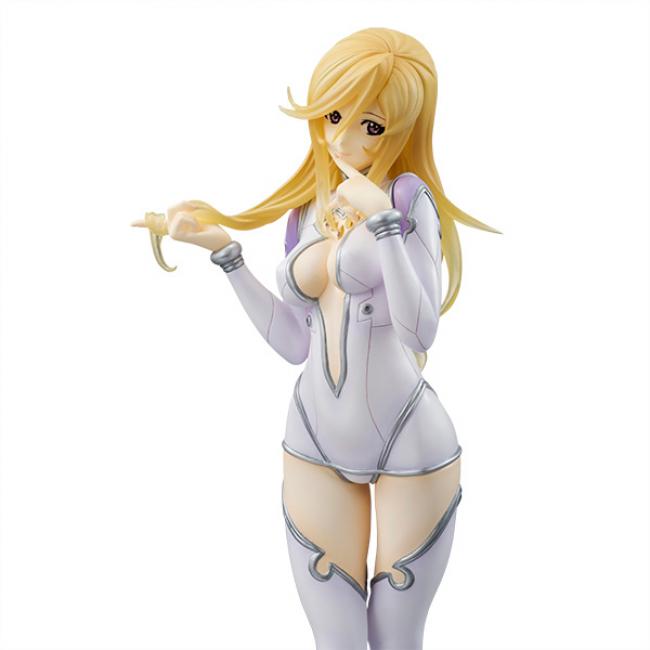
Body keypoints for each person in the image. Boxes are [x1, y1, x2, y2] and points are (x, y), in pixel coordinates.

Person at [133, 27, 496, 650]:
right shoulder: (308, 211)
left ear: (404, 127)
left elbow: (421, 328)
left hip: (409, 440)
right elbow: (295, 343)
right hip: (313, 438)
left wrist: (384, 222)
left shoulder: (408, 198)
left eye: (371, 126)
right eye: (333, 116)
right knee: (336, 638)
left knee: (394, 636)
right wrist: (226, 255)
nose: (346, 139)